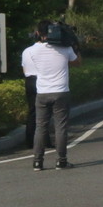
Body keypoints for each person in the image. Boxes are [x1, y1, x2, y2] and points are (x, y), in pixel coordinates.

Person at [30, 21, 81, 171]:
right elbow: (77, 63)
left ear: (38, 33)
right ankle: (61, 161)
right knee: (61, 127)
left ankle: (37, 162)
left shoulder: (32, 51)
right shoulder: (65, 48)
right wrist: (75, 45)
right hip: (61, 91)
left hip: (42, 93)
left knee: (41, 127)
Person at [21, 24, 48, 150]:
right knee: (45, 112)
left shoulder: (26, 50)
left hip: (29, 80)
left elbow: (24, 68)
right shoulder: (47, 50)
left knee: (32, 111)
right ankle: (45, 141)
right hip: (41, 80)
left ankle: (29, 141)